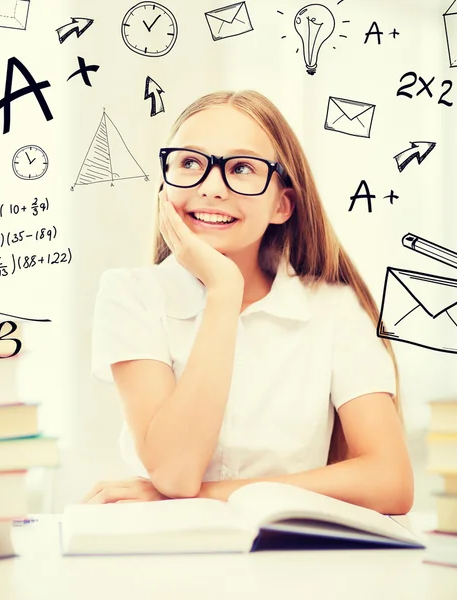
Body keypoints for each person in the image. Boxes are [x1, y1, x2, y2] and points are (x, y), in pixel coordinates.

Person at [83, 90, 414, 515]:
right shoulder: (131, 295)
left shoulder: (335, 308)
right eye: (189, 163)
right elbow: (175, 471)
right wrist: (223, 291)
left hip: (290, 556)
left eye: (240, 168)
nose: (211, 188)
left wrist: (209, 495)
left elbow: (391, 482)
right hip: (167, 557)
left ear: (282, 204)